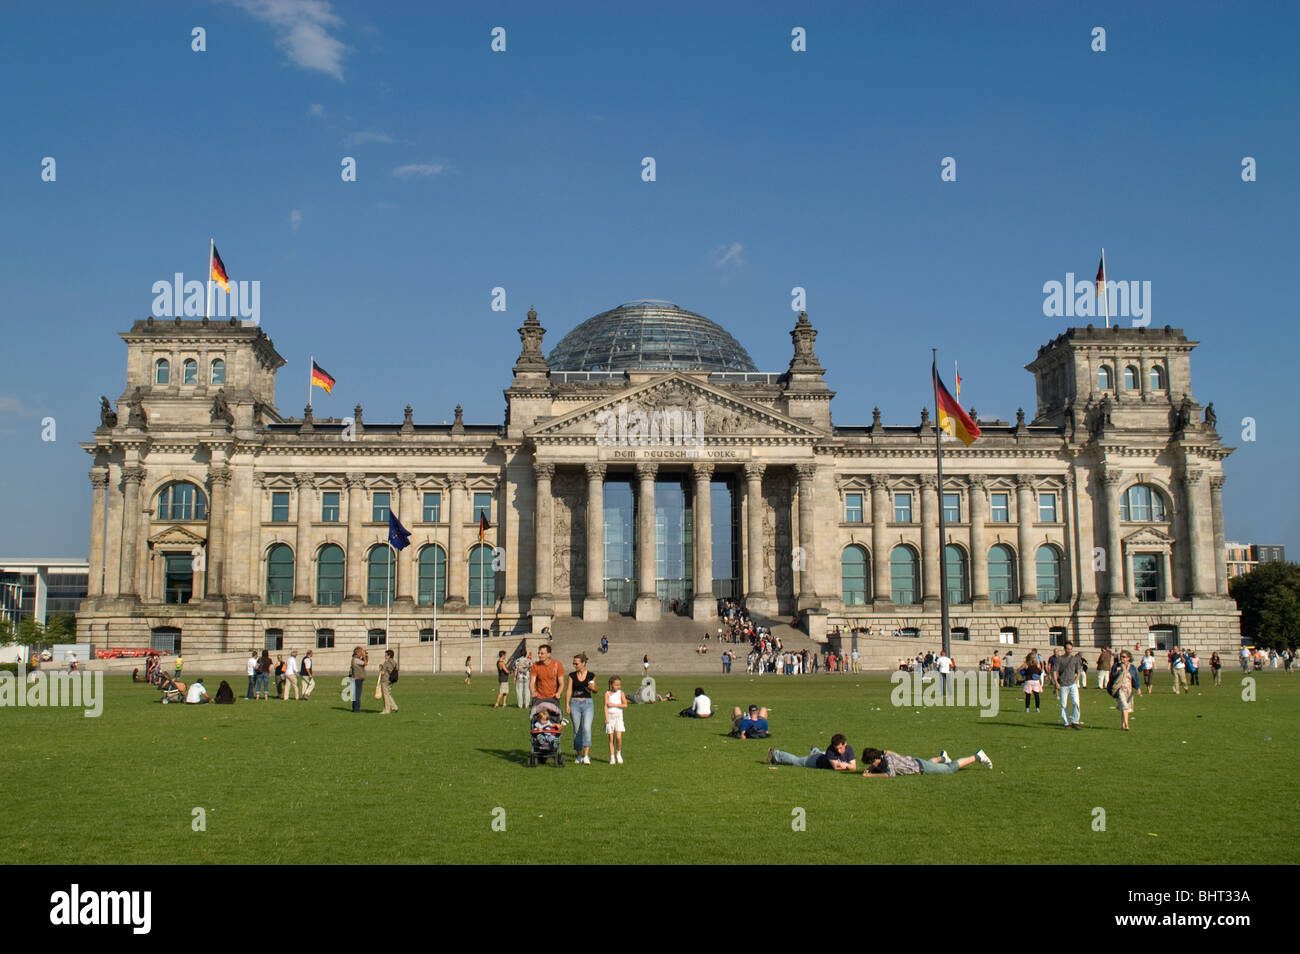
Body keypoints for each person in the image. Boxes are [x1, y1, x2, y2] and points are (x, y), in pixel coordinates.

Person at [861, 746, 992, 776]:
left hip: (921, 767)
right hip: (917, 762)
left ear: (875, 759)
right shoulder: (884, 757)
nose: (871, 766)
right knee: (932, 764)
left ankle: (977, 756)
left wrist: (871, 775)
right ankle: (943, 758)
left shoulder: (888, 761)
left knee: (949, 769)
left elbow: (890, 774)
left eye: (871, 763)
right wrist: (871, 769)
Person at [566, 653, 598, 763]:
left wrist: (593, 688)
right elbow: (569, 690)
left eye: (576, 663)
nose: (574, 665)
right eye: (573, 663)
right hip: (574, 703)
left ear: (583, 663)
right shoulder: (571, 675)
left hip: (588, 704)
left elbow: (595, 691)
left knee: (586, 728)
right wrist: (567, 704)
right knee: (577, 729)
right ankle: (579, 755)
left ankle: (586, 755)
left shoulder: (591, 675)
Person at [767, 733, 856, 769]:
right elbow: (836, 767)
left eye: (840, 748)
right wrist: (848, 766)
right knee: (797, 761)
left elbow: (854, 766)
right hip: (816, 761)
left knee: (821, 754)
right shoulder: (830, 750)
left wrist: (845, 765)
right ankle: (774, 754)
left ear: (845, 744)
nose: (839, 751)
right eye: (836, 749)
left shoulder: (849, 749)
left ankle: (815, 750)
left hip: (823, 755)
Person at [1053, 641, 1084, 728]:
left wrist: (1076, 681)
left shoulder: (1075, 659)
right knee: (1064, 704)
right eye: (1068, 649)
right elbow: (1055, 671)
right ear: (1064, 649)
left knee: (1076, 703)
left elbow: (1078, 672)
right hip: (1063, 684)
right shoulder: (1059, 659)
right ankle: (1066, 723)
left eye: (1071, 649)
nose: (1069, 651)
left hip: (1072, 684)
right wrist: (1056, 682)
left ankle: (1075, 721)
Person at [1109, 650, 1141, 730]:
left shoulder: (1132, 667)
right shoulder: (1116, 666)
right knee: (1124, 706)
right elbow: (1112, 677)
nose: (1122, 658)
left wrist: (1138, 688)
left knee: (1125, 708)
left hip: (1129, 690)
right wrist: (1116, 672)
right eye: (1121, 656)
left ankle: (1122, 725)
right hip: (1120, 689)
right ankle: (1127, 724)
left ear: (1128, 658)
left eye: (1124, 657)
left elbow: (1135, 678)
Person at [604, 675, 627, 764]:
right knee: (611, 739)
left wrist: (614, 704)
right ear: (611, 684)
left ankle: (618, 753)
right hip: (610, 717)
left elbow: (625, 705)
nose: (618, 687)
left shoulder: (621, 693)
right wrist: (606, 718)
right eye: (616, 685)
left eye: (619, 685)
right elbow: (605, 706)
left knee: (618, 737)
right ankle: (612, 757)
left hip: (618, 717)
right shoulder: (607, 694)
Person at [379, 649, 399, 714]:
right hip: (392, 680)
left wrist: (380, 668)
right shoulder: (394, 662)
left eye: (386, 655)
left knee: (385, 695)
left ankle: (387, 710)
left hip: (385, 680)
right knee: (388, 694)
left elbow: (382, 672)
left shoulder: (386, 662)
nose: (385, 656)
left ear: (389, 655)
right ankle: (394, 707)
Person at [349, 646, 367, 713]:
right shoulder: (356, 660)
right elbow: (365, 663)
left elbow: (364, 663)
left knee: (355, 694)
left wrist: (365, 656)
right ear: (358, 653)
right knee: (357, 695)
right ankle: (357, 709)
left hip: (355, 678)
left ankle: (355, 708)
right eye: (361, 652)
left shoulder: (354, 659)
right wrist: (364, 656)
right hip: (358, 678)